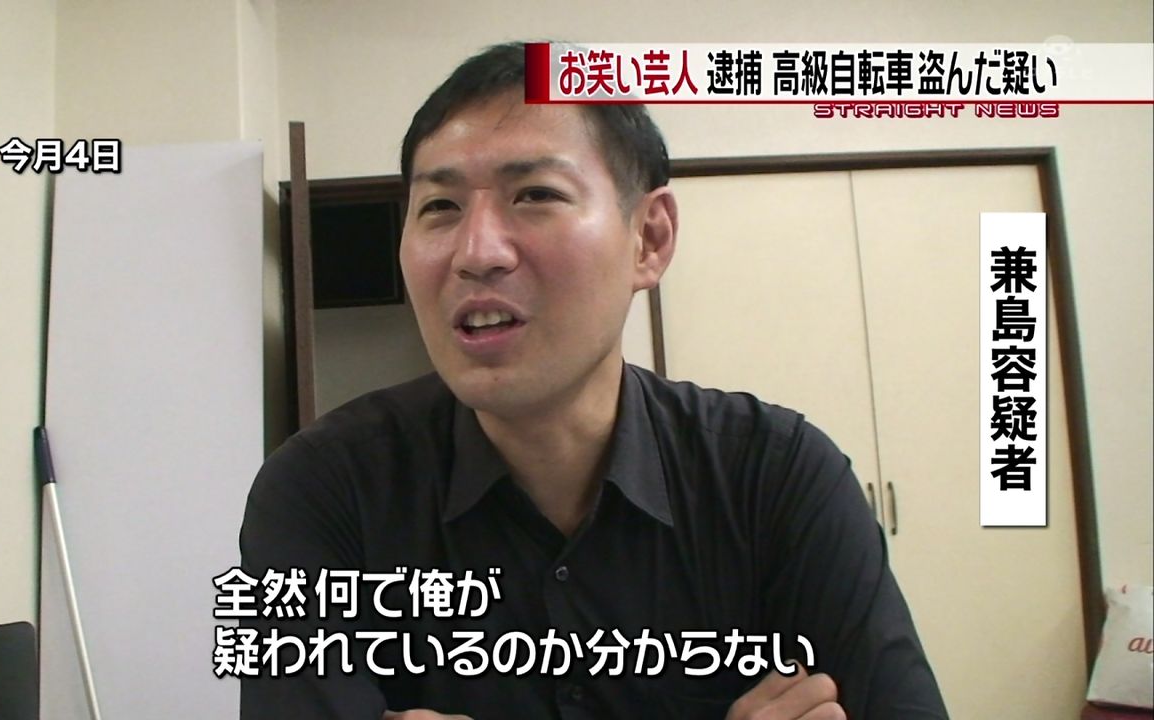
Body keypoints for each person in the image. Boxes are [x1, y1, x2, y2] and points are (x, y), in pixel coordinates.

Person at [238, 41, 948, 720]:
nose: (476, 251)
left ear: (650, 238)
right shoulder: (322, 493)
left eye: (535, 194)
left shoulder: (777, 478)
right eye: (440, 207)